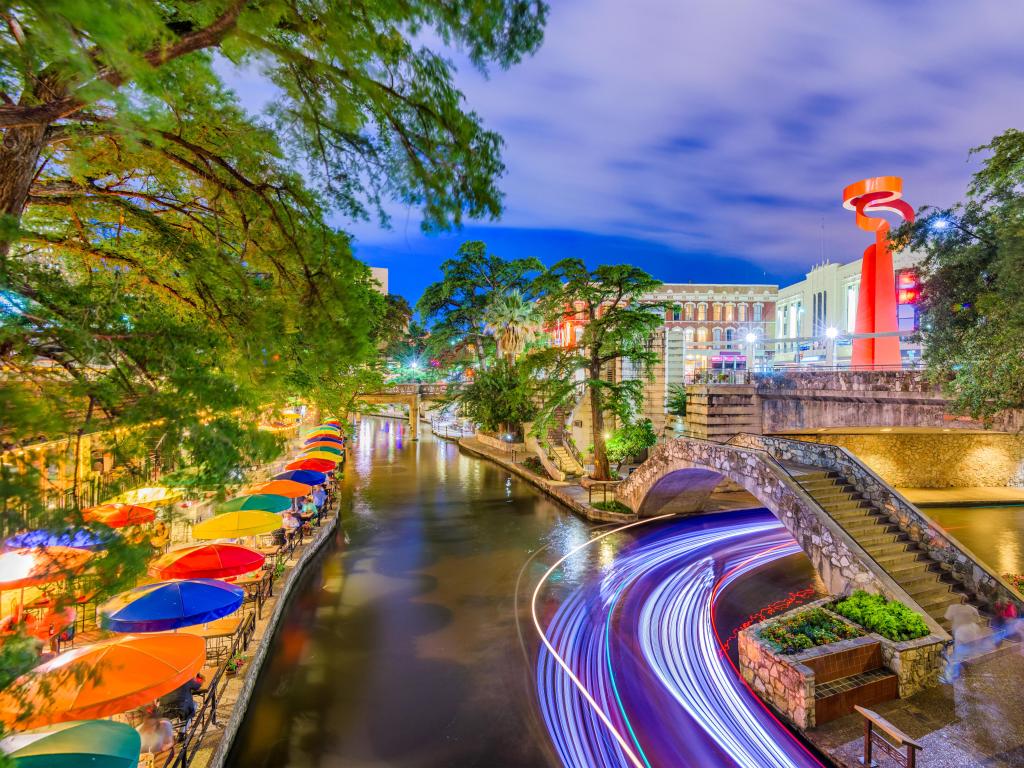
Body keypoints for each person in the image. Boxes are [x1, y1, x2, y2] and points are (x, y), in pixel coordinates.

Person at [942, 602, 989, 682]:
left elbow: (947, 617)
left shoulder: (953, 607)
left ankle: (956, 673)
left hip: (959, 632)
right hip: (969, 633)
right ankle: (967, 670)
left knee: (959, 652)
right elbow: (978, 619)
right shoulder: (972, 612)